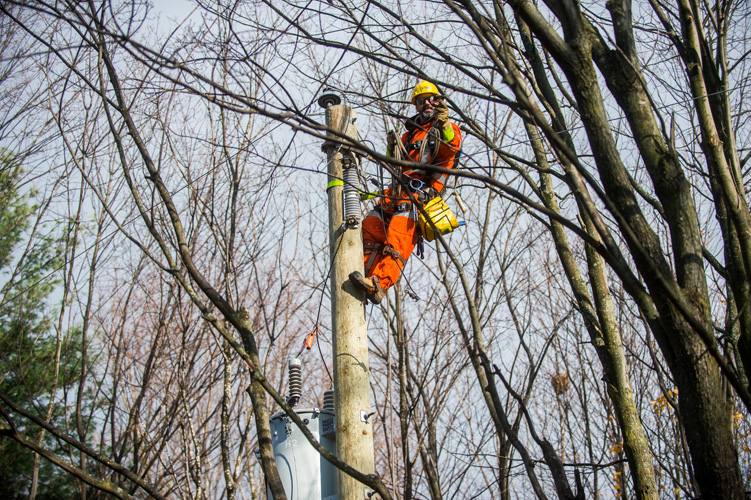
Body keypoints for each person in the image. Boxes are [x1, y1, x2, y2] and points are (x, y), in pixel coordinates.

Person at [349, 80, 463, 304]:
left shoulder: (445, 129)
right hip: (396, 190)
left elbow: (450, 149)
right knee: (371, 226)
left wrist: (445, 124)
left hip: (419, 194)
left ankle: (379, 283)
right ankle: (363, 272)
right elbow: (395, 166)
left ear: (439, 102)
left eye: (432, 99)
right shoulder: (407, 136)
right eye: (422, 101)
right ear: (416, 105)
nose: (427, 104)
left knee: (398, 238)